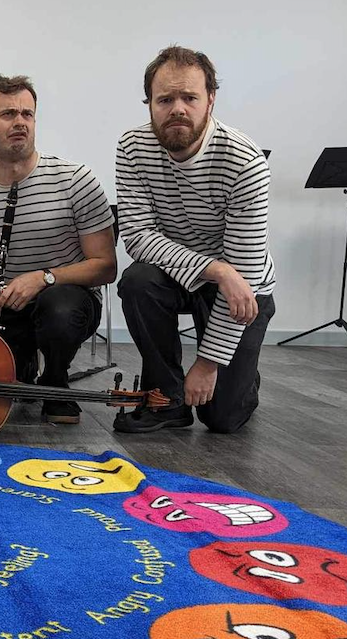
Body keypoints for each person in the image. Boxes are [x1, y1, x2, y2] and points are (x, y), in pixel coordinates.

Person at [114, 45, 275, 434]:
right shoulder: (132, 148)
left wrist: (207, 363)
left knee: (222, 419)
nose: (178, 109)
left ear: (211, 99)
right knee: (137, 281)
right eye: (165, 99)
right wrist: (216, 269)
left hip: (242, 286)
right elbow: (137, 237)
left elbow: (243, 272)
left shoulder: (246, 162)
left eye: (190, 97)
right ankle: (167, 402)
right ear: (150, 103)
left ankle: (243, 378)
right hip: (186, 274)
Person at [0, 74, 116, 425]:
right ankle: (24, 360)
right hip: (9, 305)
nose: (20, 122)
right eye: (8, 114)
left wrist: (44, 278)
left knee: (59, 308)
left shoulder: (76, 180)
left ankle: (56, 382)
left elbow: (106, 266)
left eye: (27, 114)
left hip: (69, 301)